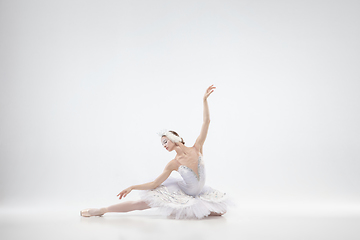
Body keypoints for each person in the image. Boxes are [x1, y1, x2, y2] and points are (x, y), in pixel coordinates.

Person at [80, 85, 234, 219]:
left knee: (221, 211)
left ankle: (179, 211)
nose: (164, 145)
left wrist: (204, 101)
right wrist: (132, 187)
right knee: (141, 204)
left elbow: (206, 122)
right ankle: (102, 210)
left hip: (198, 194)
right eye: (162, 144)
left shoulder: (197, 147)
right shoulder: (173, 163)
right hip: (181, 193)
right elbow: (154, 183)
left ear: (174, 138)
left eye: (165, 141)